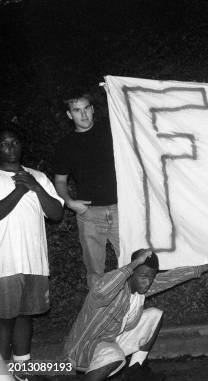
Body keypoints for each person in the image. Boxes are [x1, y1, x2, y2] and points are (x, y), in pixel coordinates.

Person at [62, 249, 208, 381]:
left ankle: (135, 371)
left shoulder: (143, 286)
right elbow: (102, 289)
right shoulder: (111, 288)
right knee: (114, 357)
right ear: (131, 273)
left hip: (112, 338)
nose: (147, 282)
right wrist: (133, 265)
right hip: (85, 346)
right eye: (143, 276)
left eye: (151, 277)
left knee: (155, 315)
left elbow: (172, 277)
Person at [0, 130, 64, 371]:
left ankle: (22, 368)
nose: (10, 146)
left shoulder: (37, 176)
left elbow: (57, 214)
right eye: (3, 143)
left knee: (26, 315)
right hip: (4, 262)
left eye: (14, 142)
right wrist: (20, 189)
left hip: (34, 261)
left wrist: (35, 186)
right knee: (4, 319)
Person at [53, 89, 120, 289]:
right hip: (89, 214)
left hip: (121, 209)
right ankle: (99, 318)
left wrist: (114, 90)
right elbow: (60, 181)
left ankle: (131, 313)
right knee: (95, 272)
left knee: (131, 264)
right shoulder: (65, 145)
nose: (83, 115)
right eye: (76, 110)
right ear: (69, 114)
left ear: (92, 109)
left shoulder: (112, 131)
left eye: (86, 109)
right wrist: (70, 202)